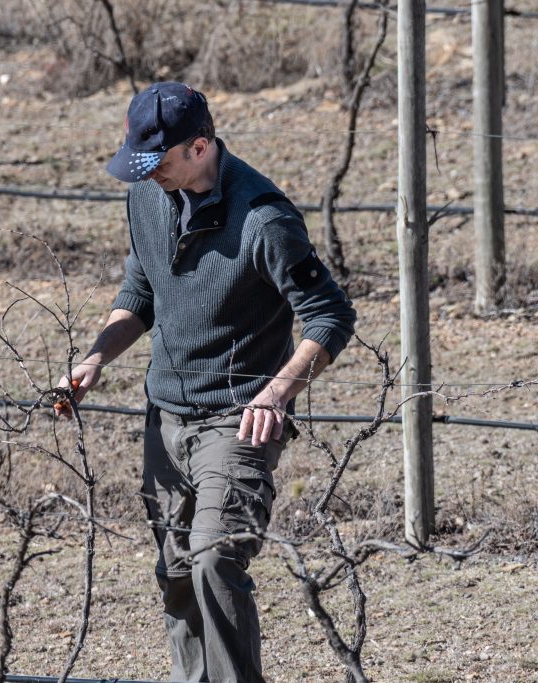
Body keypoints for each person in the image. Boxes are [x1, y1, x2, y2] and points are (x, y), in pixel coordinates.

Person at [55, 82, 357, 683]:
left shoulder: (265, 219)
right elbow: (141, 290)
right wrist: (96, 357)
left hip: (238, 417)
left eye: (160, 162)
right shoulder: (147, 196)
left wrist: (279, 390)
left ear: (200, 146)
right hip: (164, 415)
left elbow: (330, 314)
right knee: (174, 572)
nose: (148, 175)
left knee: (215, 560)